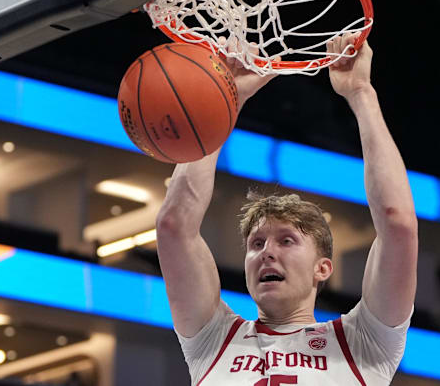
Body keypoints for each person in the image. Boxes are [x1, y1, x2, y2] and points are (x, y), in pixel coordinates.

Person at [156, 34, 418, 385]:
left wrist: (361, 94)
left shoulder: (364, 344)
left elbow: (397, 223)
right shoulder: (213, 339)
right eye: (257, 244)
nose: (267, 253)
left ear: (322, 268)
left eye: (287, 241)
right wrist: (228, 100)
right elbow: (175, 225)